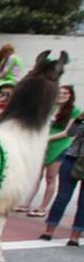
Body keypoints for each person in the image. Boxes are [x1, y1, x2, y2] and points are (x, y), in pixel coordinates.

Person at [17, 85, 81, 217]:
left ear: (70, 96)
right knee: (36, 176)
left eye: (65, 93)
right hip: (43, 143)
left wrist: (48, 138)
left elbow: (68, 133)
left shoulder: (75, 111)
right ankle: (26, 203)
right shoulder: (50, 107)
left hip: (59, 145)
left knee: (50, 177)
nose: (62, 95)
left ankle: (43, 207)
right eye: (60, 93)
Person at [40, 99, 84, 246]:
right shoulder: (82, 117)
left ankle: (75, 235)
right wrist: (79, 119)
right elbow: (70, 133)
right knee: (63, 196)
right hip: (72, 158)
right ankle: (50, 229)